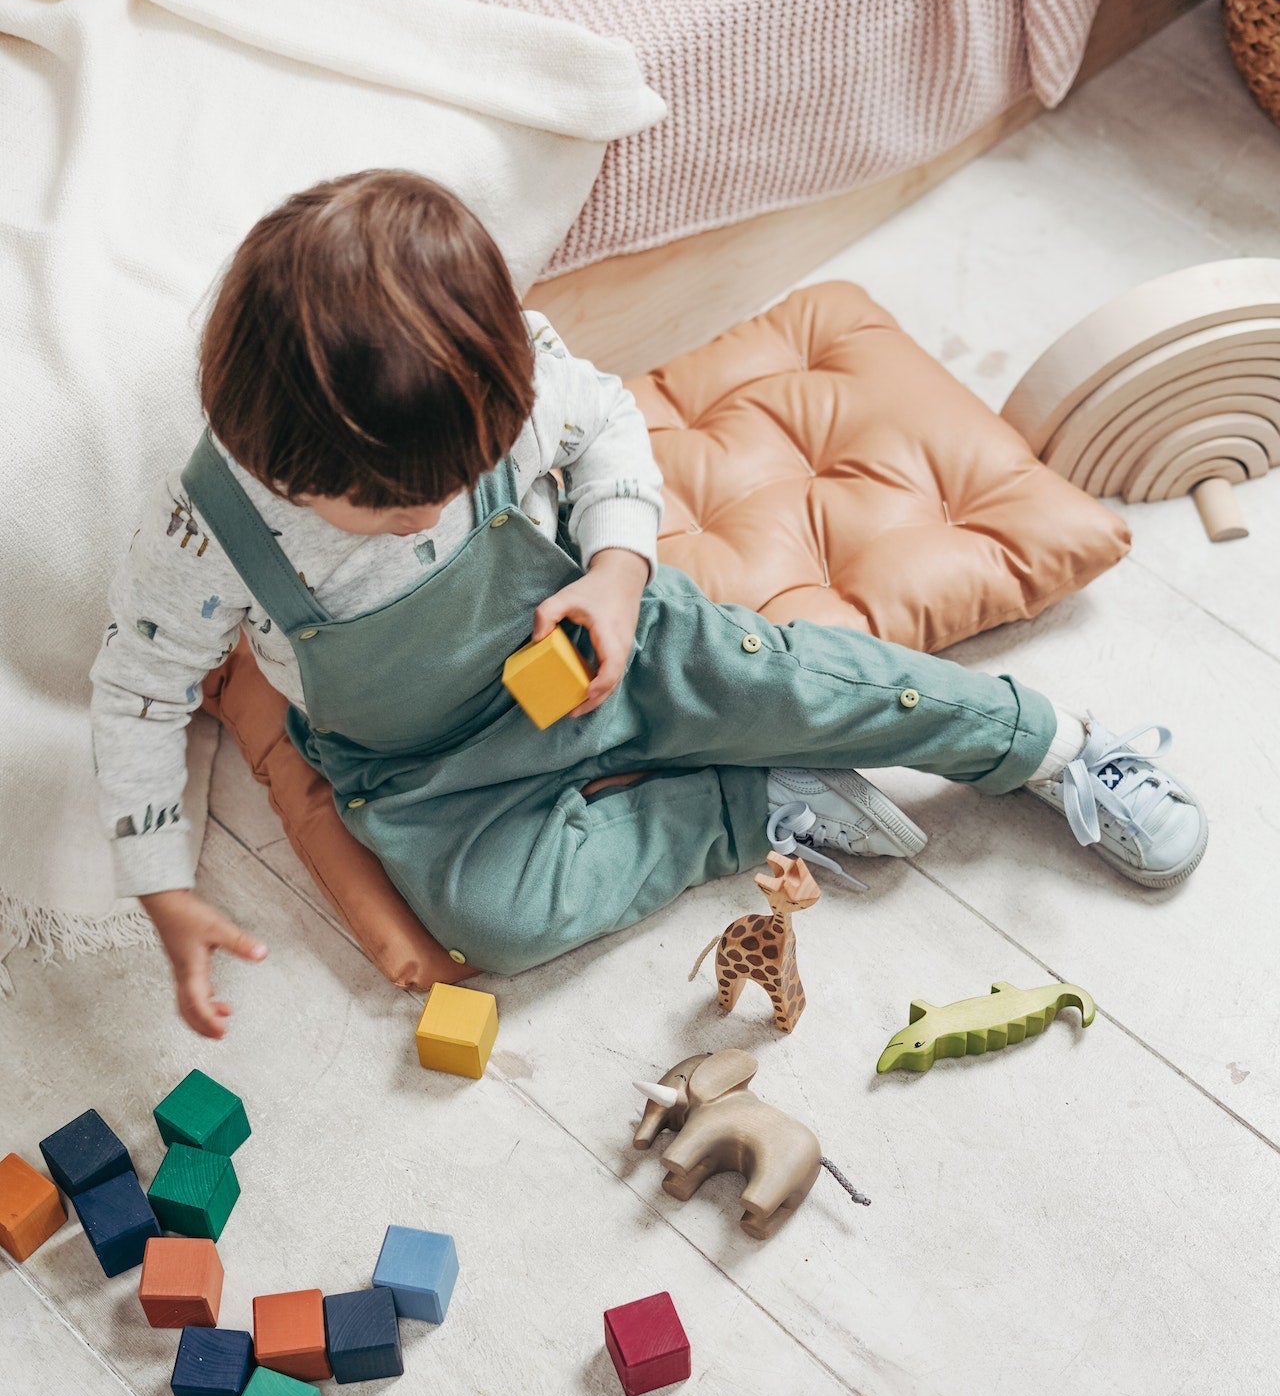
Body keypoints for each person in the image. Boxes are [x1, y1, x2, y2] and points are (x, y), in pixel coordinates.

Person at [90, 170, 1207, 1039]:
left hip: (619, 646)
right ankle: (742, 807)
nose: (413, 516)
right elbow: (136, 695)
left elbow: (607, 429)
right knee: (496, 923)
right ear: (262, 450)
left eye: (442, 490)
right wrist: (162, 889)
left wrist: (615, 574)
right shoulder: (205, 529)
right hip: (428, 770)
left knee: (805, 678)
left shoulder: (508, 383)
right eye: (374, 508)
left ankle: (1045, 744)